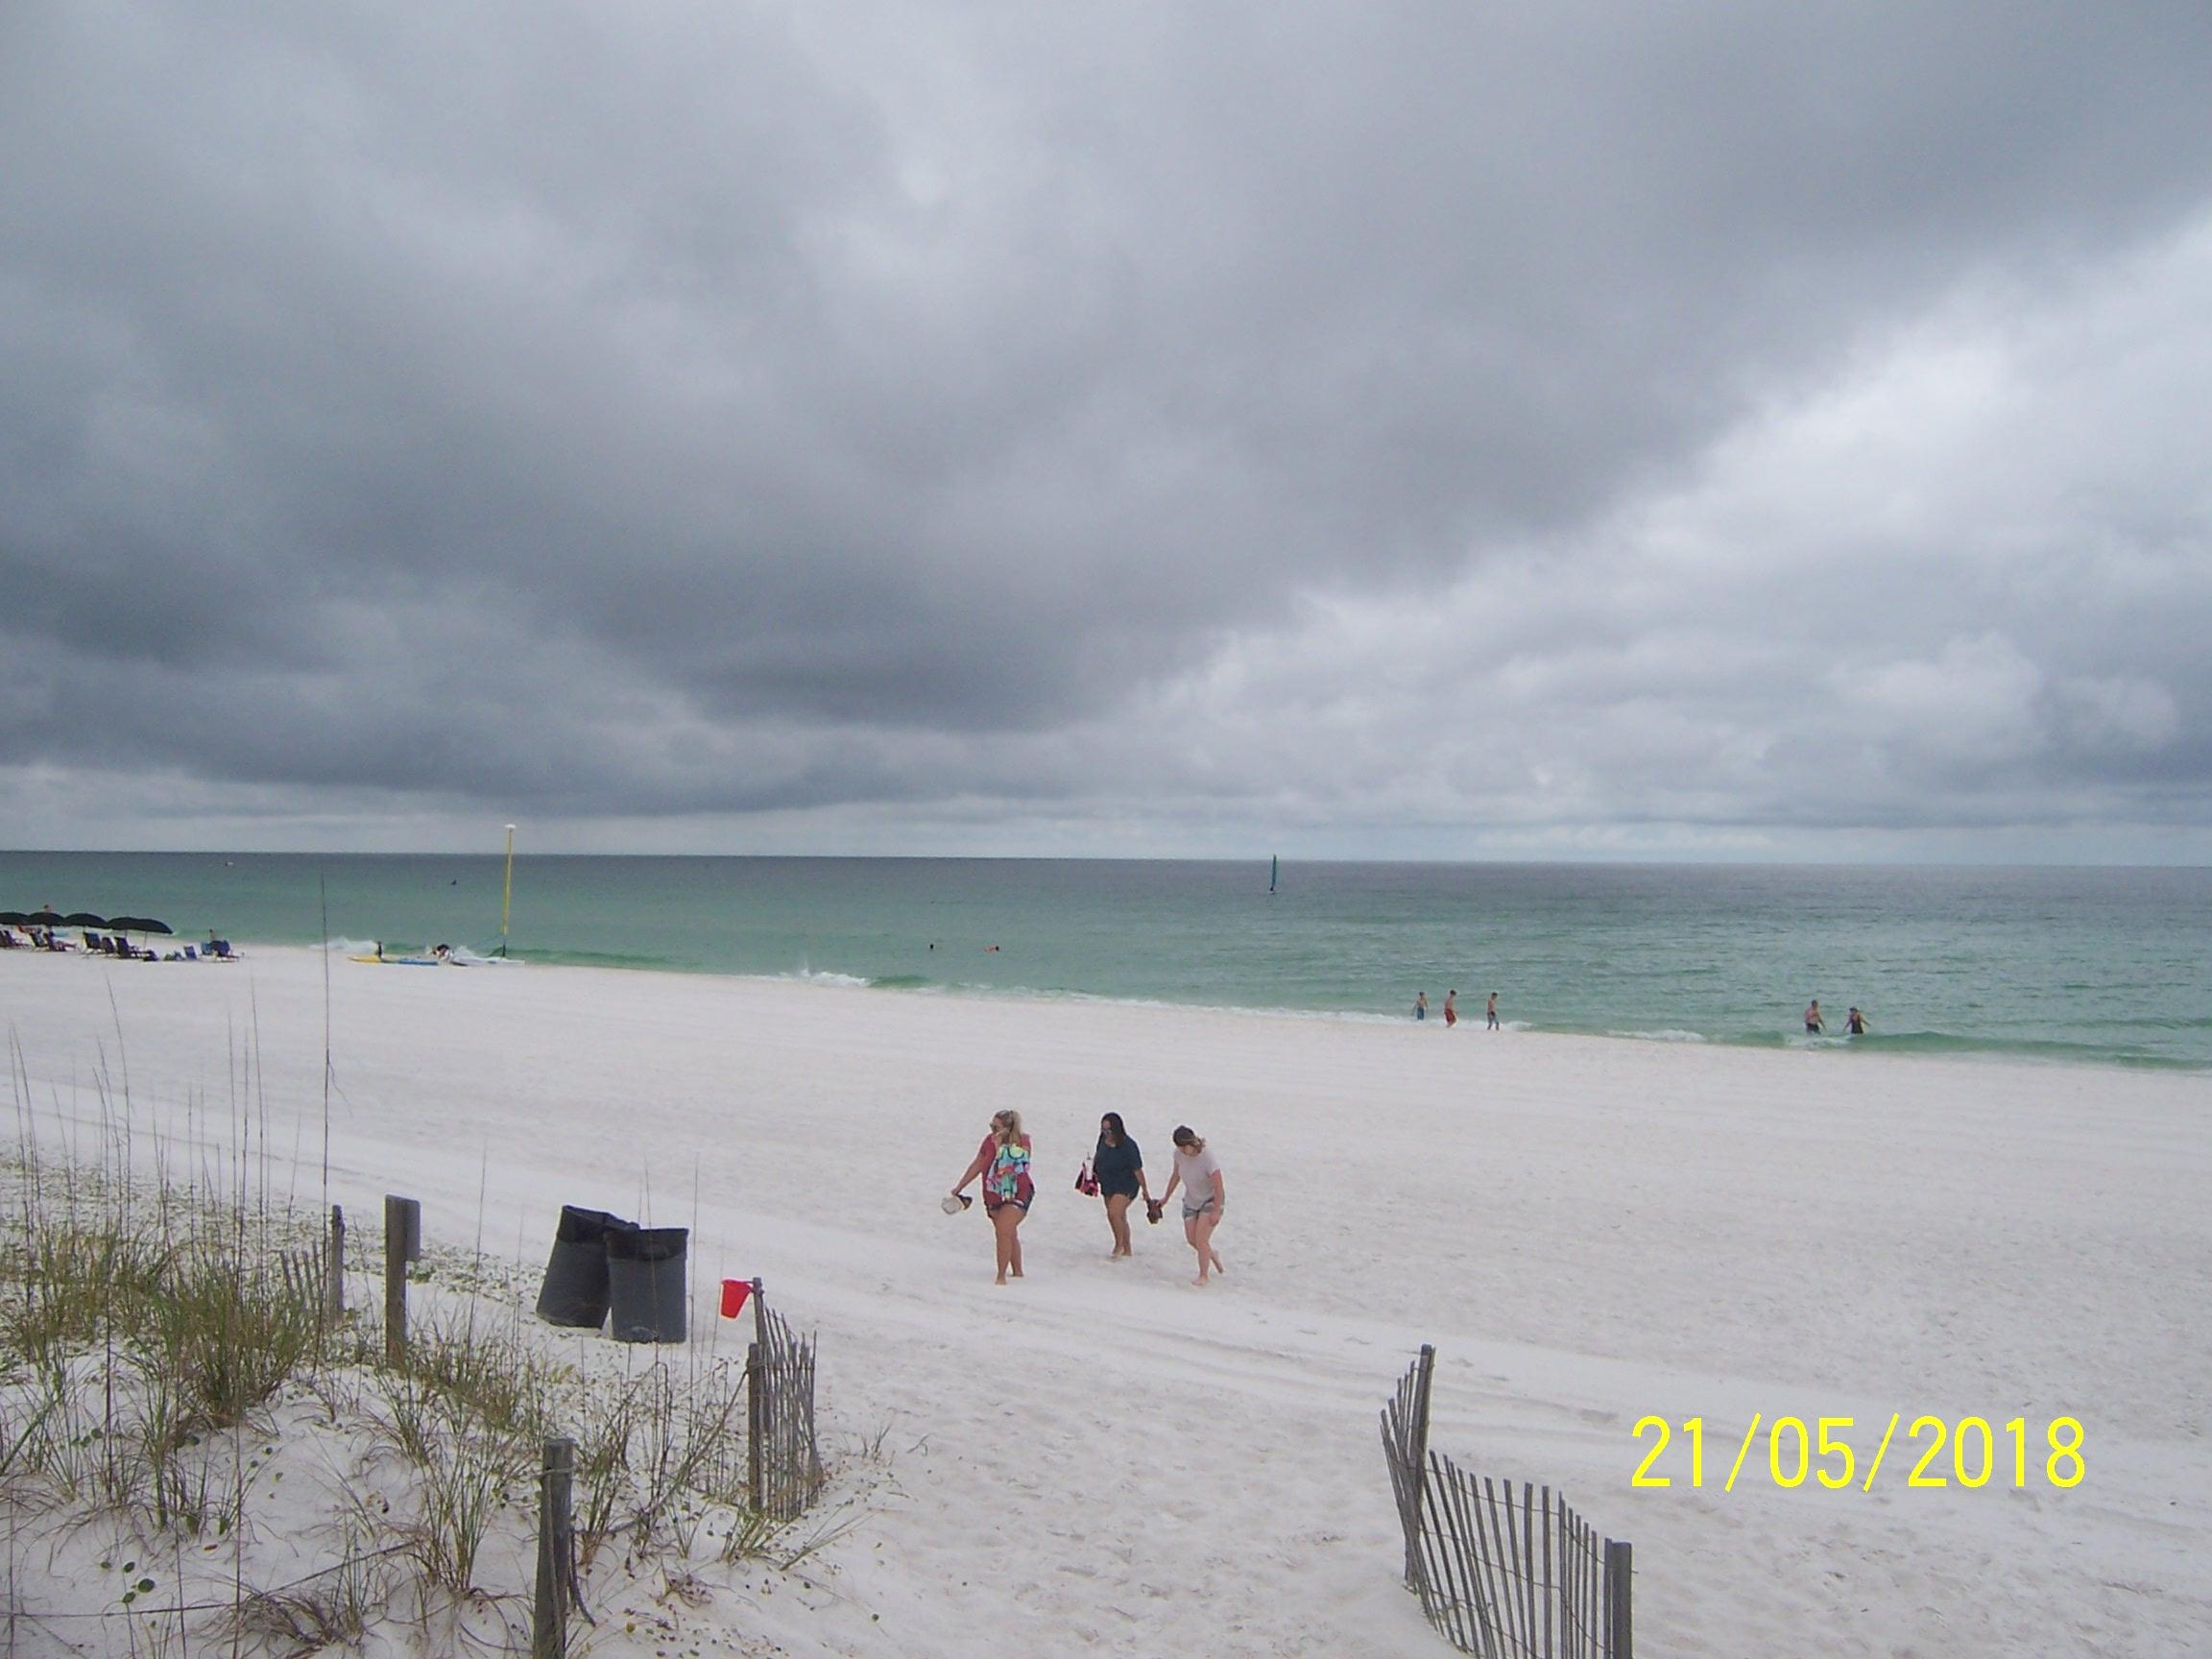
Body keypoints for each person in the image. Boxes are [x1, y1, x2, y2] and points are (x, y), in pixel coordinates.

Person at [950, 1110, 1035, 1284]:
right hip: (993, 1194)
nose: (992, 1131)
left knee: (1003, 1230)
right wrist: (960, 1185)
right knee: (1008, 1233)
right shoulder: (988, 1141)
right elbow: (978, 1163)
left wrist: (999, 1147)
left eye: (996, 1127)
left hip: (1017, 1192)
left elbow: (1015, 1166)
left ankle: (1001, 1275)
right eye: (991, 1126)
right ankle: (1017, 1271)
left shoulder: (1022, 1141)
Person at [1160, 1125, 1225, 1286]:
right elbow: (1176, 1176)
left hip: (1210, 1199)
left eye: (1183, 1147)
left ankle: (1204, 1275)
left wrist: (1216, 1211)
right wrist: (1165, 1198)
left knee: (1201, 1239)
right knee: (1191, 1239)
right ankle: (1211, 1253)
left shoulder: (1207, 1157)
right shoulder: (1178, 1155)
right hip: (1191, 1200)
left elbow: (1219, 1186)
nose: (1181, 1151)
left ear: (1190, 1143)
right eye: (1179, 1148)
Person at [1092, 1112, 1155, 1259]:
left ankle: (1118, 1245)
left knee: (1114, 1212)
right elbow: (1098, 1155)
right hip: (1107, 1182)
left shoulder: (1128, 1145)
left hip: (1126, 1184)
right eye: (1103, 1130)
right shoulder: (1102, 1139)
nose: (1106, 1133)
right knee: (1119, 1216)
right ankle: (1127, 1249)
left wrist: (1145, 1190)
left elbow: (1138, 1170)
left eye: (1109, 1130)